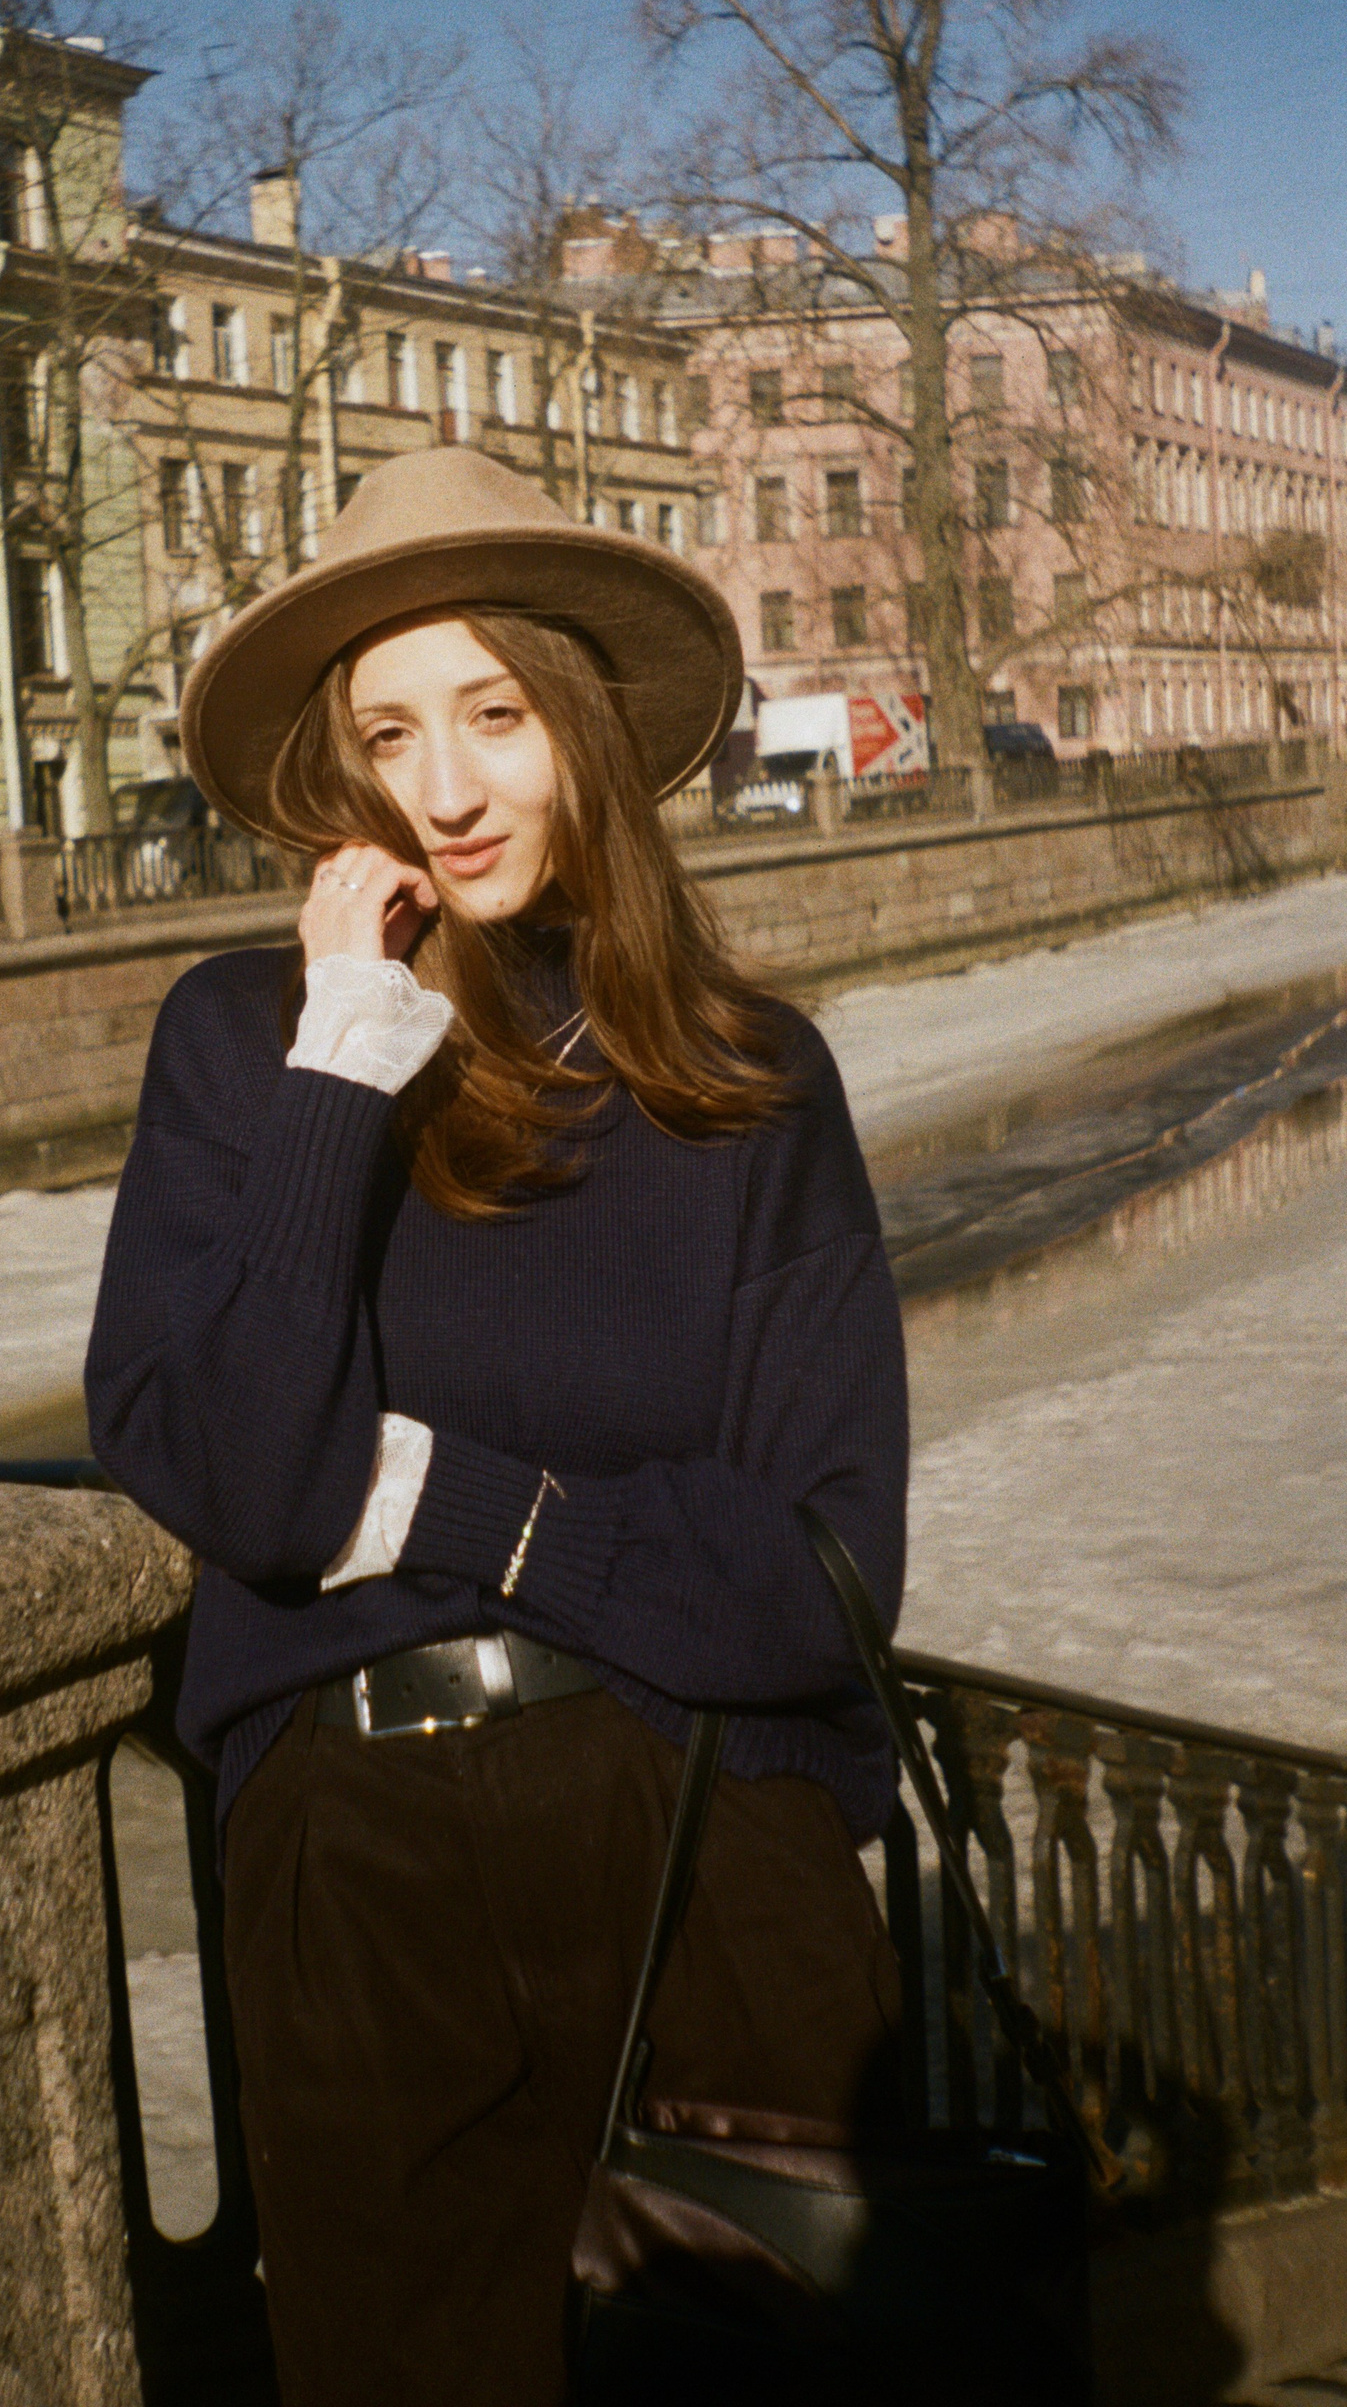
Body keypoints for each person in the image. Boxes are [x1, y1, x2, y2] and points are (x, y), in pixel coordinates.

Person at [86, 448, 908, 2407]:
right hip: (357, 1862)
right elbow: (250, 1478)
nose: (445, 788)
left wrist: (447, 1498)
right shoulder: (249, 1045)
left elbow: (819, 1577)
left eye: (496, 714)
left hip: (705, 1831)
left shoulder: (751, 1081)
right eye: (391, 734)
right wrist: (345, 1061)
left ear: (585, 731)